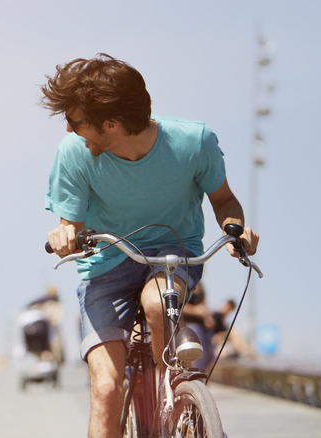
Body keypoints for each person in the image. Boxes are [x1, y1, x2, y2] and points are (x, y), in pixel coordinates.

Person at [42, 54, 259, 438]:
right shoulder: (73, 153)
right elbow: (69, 225)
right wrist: (63, 237)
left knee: (158, 304)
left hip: (172, 258)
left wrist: (235, 228)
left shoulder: (195, 142)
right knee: (107, 389)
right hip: (106, 265)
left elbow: (225, 200)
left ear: (111, 124)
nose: (71, 130)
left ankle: (176, 404)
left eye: (76, 122)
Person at [181, 283, 215, 370]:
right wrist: (195, 311)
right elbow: (179, 306)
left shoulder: (200, 287)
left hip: (203, 327)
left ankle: (201, 375)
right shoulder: (183, 285)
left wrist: (207, 318)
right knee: (199, 355)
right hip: (190, 325)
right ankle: (197, 377)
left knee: (210, 354)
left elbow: (202, 304)